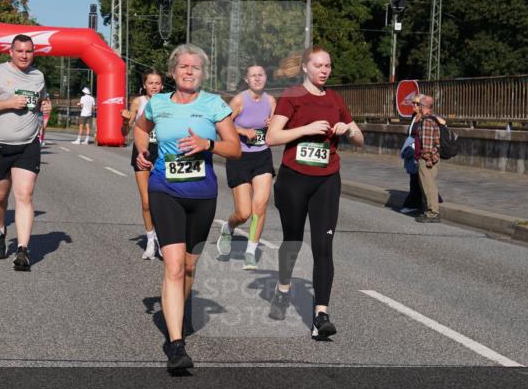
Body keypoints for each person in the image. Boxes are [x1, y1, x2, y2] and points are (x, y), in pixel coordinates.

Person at [133, 43, 240, 372]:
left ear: (203, 74)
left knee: (189, 268)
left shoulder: (214, 104)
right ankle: (176, 344)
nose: (189, 71)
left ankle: (177, 307)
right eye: (183, 66)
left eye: (195, 67)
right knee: (174, 266)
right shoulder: (158, 103)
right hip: (164, 189)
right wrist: (143, 152)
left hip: (202, 195)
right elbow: (140, 128)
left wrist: (208, 144)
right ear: (173, 72)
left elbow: (235, 148)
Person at [265, 46, 364, 337]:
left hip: (327, 180)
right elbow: (272, 137)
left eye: (328, 66)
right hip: (294, 179)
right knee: (293, 241)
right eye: (318, 65)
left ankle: (321, 315)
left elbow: (360, 138)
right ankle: (283, 289)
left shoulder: (335, 99)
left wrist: (349, 130)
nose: (324, 70)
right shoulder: (292, 96)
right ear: (305, 68)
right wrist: (306, 129)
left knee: (323, 247)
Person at [0, 34, 52, 271]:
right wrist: (8, 103)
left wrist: (46, 105)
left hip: (27, 145)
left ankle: (23, 250)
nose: (24, 56)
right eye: (20, 51)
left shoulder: (38, 76)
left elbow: (42, 100)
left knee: (24, 195)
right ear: (11, 52)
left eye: (28, 51)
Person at [216, 63, 277, 270]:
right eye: (253, 75)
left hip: (262, 156)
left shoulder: (271, 101)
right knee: (243, 213)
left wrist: (272, 124)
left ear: (266, 77)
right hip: (239, 157)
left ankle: (250, 252)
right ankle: (229, 227)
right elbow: (222, 125)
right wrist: (242, 131)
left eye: (261, 75)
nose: (257, 78)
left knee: (260, 206)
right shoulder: (239, 100)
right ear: (247, 79)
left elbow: (276, 127)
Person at [122, 70, 164, 259]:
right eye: (150, 83)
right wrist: (125, 121)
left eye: (157, 83)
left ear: (162, 86)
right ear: (144, 85)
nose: (154, 86)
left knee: (163, 200)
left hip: (163, 151)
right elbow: (125, 132)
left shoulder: (168, 101)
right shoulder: (138, 102)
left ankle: (163, 239)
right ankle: (150, 241)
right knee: (147, 202)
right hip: (142, 150)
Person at [414, 94, 442, 223]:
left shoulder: (426, 121)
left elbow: (427, 145)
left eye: (419, 104)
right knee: (429, 185)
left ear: (423, 106)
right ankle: (430, 211)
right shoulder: (433, 118)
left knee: (428, 185)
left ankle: (432, 213)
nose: (417, 106)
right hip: (433, 157)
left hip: (427, 159)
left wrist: (428, 160)